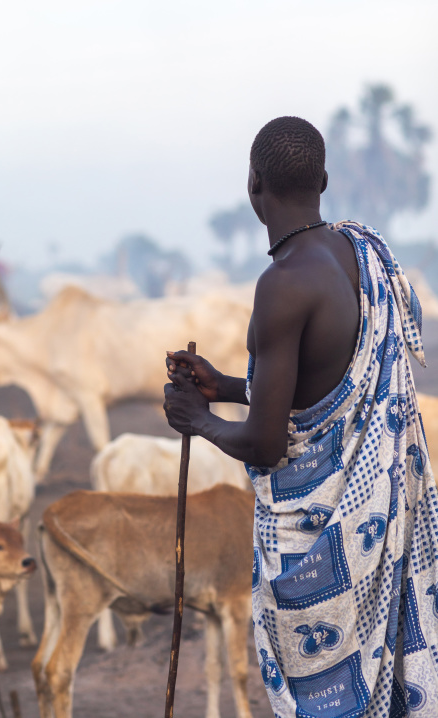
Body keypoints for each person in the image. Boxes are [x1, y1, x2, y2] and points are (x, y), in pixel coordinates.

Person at [163, 116, 438, 717]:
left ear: (253, 186)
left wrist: (196, 419)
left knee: (328, 703)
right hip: (380, 521)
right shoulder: (359, 254)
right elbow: (318, 389)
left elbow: (265, 444)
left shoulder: (282, 284)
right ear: (324, 180)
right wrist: (228, 386)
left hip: (320, 547)